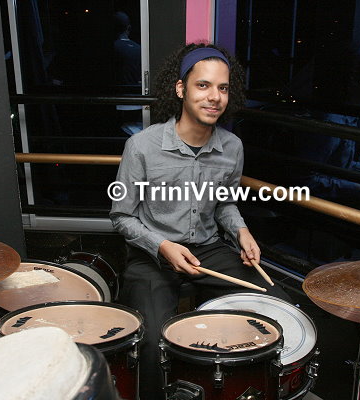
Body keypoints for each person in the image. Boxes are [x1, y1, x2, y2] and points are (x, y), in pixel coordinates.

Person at [110, 43, 290, 400]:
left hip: (209, 251)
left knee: (277, 307)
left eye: (223, 88)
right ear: (181, 89)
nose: (214, 97)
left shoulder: (232, 147)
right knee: (151, 344)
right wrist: (162, 246)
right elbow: (122, 216)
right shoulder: (142, 146)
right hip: (154, 256)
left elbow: (224, 204)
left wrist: (241, 231)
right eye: (203, 85)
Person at [291, 42, 360, 206]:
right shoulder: (328, 123)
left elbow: (335, 164)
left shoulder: (345, 112)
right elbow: (304, 181)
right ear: (354, 80)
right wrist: (357, 190)